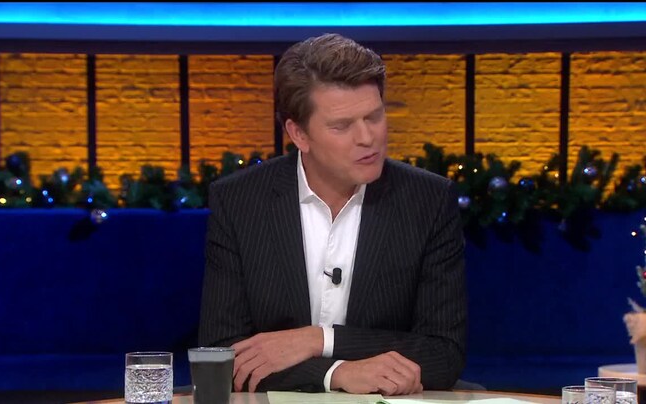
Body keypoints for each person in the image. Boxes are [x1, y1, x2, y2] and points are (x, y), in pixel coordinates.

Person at [198, 32, 467, 396]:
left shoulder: (428, 201)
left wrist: (320, 340)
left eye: (374, 116)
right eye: (342, 126)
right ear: (299, 134)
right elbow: (223, 355)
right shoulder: (240, 201)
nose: (367, 137)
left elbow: (444, 353)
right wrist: (334, 373)